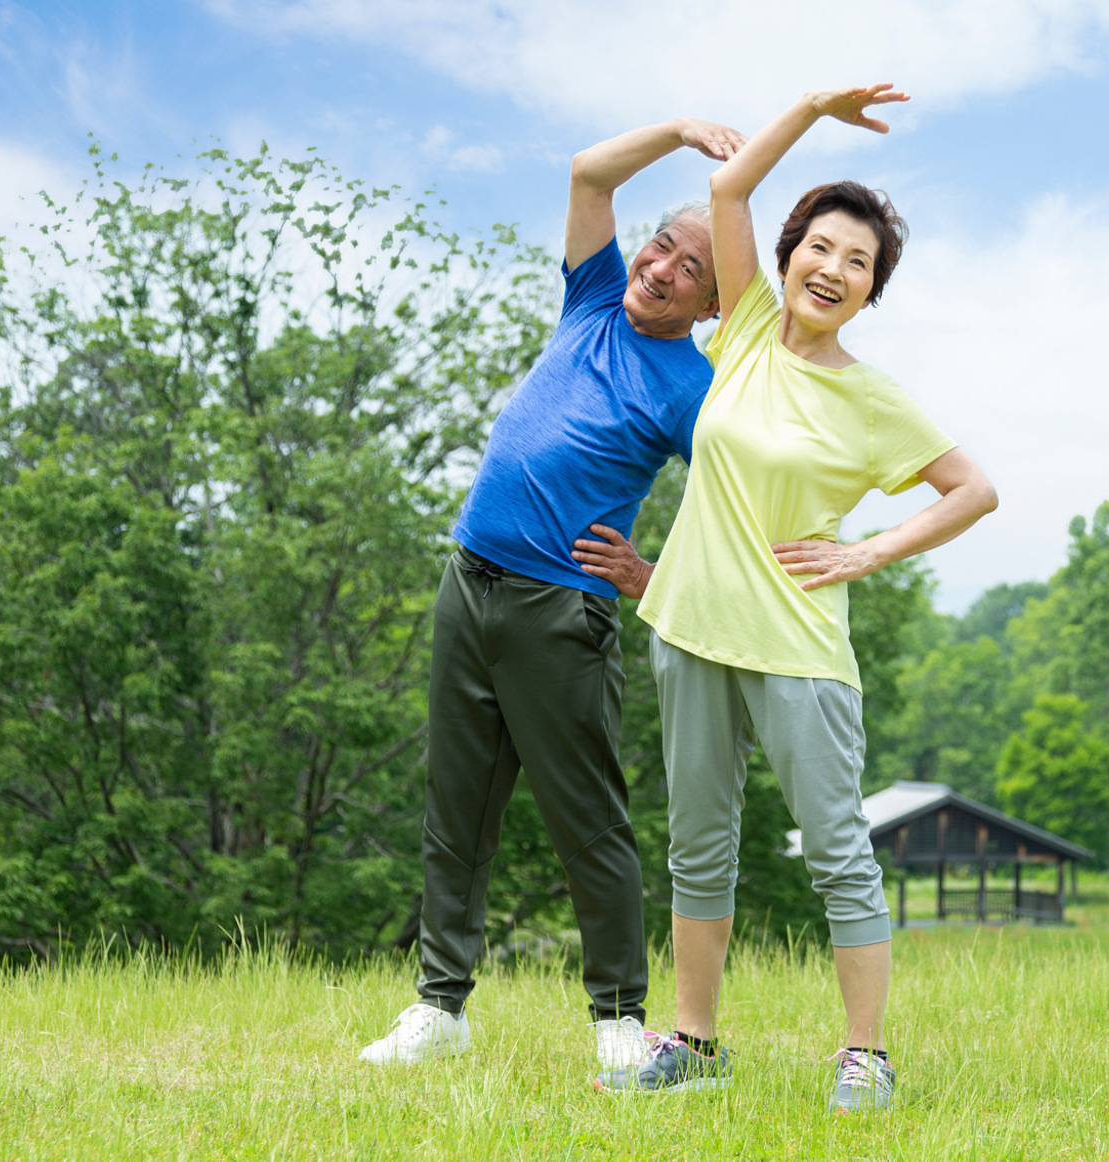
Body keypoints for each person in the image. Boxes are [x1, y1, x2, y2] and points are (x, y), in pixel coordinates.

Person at [574, 85, 997, 1112]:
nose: (834, 269)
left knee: (839, 853)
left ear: (869, 293)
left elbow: (973, 491)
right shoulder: (749, 329)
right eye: (821, 247)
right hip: (691, 634)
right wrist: (810, 106)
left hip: (800, 650)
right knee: (699, 846)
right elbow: (728, 184)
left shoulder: (873, 398)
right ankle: (696, 1039)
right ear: (787, 255)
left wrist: (867, 555)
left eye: (859, 263)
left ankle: (865, 1054)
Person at [357, 114, 748, 1071]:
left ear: (709, 304)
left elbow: (741, 512)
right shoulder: (594, 301)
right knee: (456, 810)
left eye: (690, 267)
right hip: (468, 583)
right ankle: (439, 1009)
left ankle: (619, 1020)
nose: (660, 267)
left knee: (589, 824)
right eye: (662, 245)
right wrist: (681, 130)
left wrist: (658, 576)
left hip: (558, 613)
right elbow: (587, 174)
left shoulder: (692, 391)